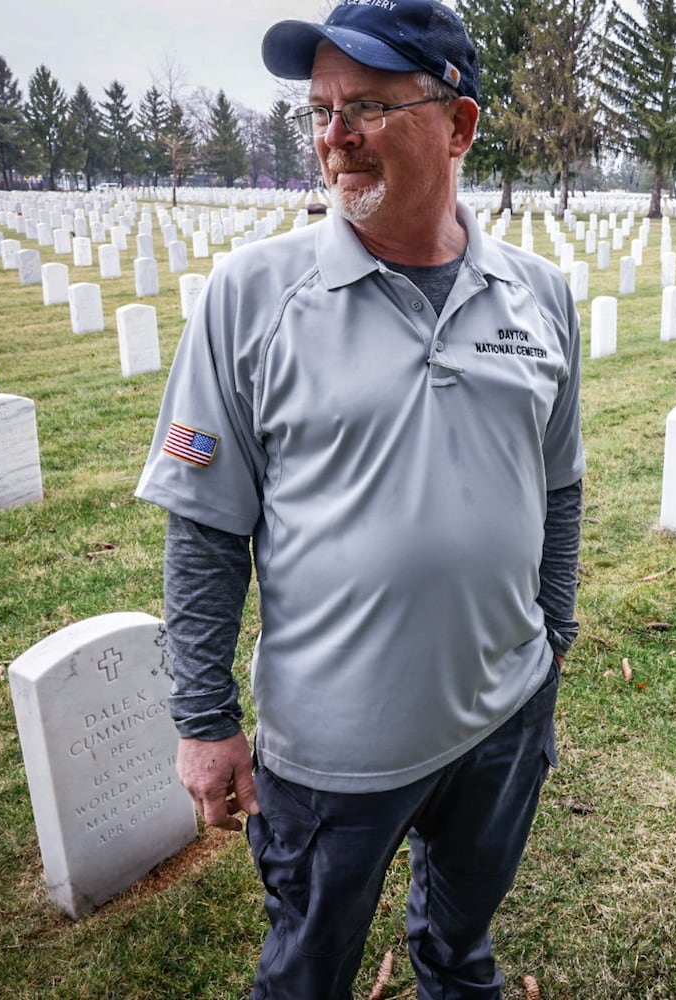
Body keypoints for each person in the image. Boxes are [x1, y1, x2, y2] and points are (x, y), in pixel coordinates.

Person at [134, 1, 584, 996]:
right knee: (306, 970)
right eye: (322, 108)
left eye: (370, 106)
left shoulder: (540, 296)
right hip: (334, 753)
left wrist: (551, 637)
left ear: (457, 126)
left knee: (461, 950)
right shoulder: (248, 297)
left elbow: (560, 481)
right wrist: (205, 716)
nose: (334, 135)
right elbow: (205, 528)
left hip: (502, 718)